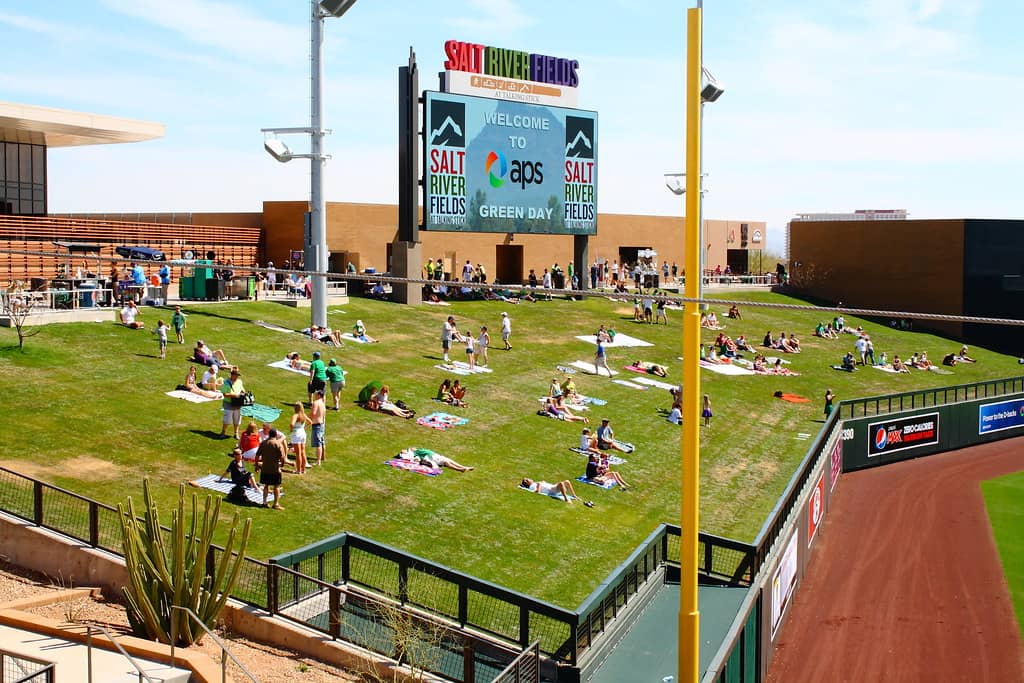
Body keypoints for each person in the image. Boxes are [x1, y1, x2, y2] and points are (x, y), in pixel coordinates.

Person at [256, 428, 289, 509]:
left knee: (266, 485)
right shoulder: (278, 443)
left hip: (265, 468)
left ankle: (264, 502)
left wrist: (257, 465)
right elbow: (282, 457)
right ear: (276, 435)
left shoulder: (263, 443)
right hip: (275, 469)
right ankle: (276, 504)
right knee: (276, 486)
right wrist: (282, 465)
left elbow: (257, 456)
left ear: (269, 434)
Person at [220, 369, 245, 440]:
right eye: (236, 375)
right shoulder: (226, 383)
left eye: (238, 376)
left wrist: (244, 392)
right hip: (229, 403)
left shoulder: (239, 381)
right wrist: (234, 395)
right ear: (232, 375)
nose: (237, 377)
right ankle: (223, 432)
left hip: (238, 403)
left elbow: (242, 388)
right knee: (227, 419)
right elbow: (225, 394)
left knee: (237, 419)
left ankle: (236, 433)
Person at [288, 402, 312, 474]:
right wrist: (304, 428)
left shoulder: (295, 415)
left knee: (298, 454)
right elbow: (310, 422)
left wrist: (291, 430)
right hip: (303, 433)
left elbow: (291, 424)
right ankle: (303, 470)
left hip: (296, 434)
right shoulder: (303, 415)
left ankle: (298, 470)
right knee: (303, 452)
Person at [310, 389, 326, 467]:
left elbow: (313, 413)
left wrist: (308, 419)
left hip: (317, 424)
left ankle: (318, 460)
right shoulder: (322, 403)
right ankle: (323, 457)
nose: (315, 395)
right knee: (322, 441)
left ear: (319, 395)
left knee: (318, 443)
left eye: (316, 394)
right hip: (322, 424)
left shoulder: (316, 403)